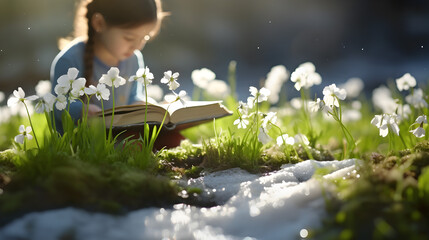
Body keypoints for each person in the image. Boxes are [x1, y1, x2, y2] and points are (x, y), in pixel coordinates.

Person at [50, 0, 183, 149]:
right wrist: (81, 111)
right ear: (99, 23)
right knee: (133, 145)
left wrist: (146, 106)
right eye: (129, 38)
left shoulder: (133, 58)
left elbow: (132, 97)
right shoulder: (70, 59)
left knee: (175, 139)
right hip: (83, 142)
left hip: (122, 134)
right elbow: (56, 104)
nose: (137, 46)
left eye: (144, 38)